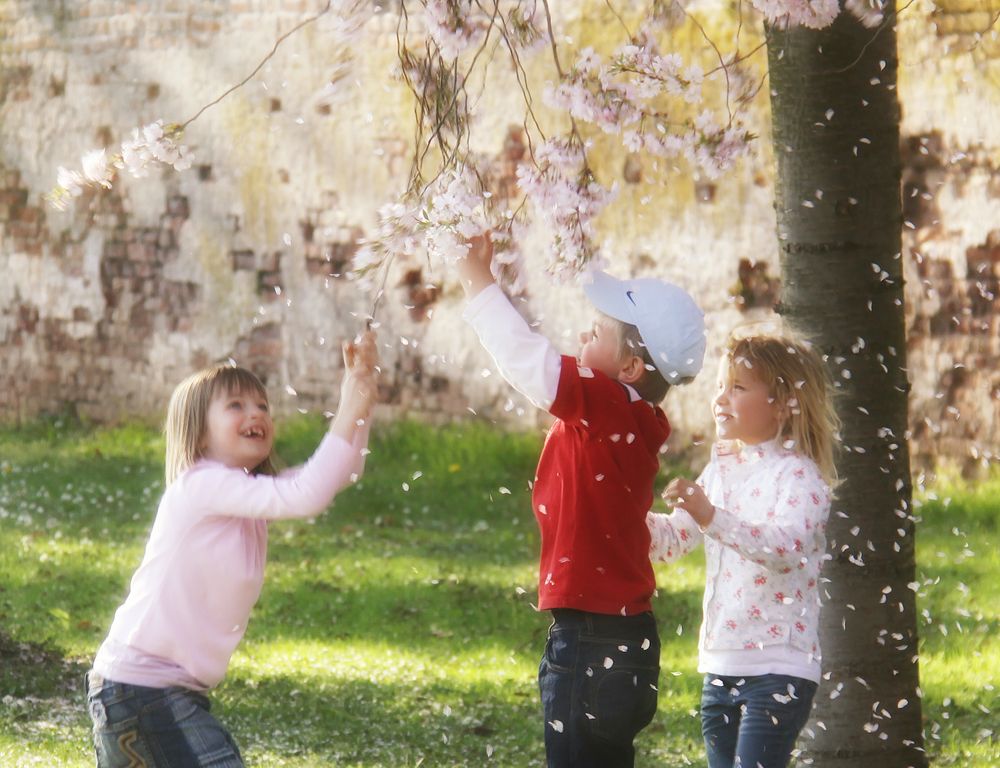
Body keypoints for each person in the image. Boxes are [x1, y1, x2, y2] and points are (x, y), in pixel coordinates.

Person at [456, 234, 706, 768]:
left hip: (591, 640)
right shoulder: (639, 421)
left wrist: (477, 282)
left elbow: (528, 363)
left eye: (594, 334)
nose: (579, 338)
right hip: (627, 638)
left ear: (630, 369)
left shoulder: (606, 402)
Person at [85, 331, 378, 768]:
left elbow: (341, 471)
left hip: (160, 693)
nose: (255, 413)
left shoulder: (244, 493)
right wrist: (350, 403)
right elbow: (308, 494)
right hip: (140, 691)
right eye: (236, 405)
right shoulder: (201, 486)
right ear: (200, 435)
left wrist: (362, 394)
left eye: (262, 405)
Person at [647, 330, 839, 768]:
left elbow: (785, 547)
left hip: (778, 667)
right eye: (719, 386)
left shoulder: (799, 477)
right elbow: (676, 540)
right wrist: (624, 517)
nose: (720, 398)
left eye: (737, 387)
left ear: (784, 402)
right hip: (720, 663)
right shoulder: (721, 470)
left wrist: (711, 514)